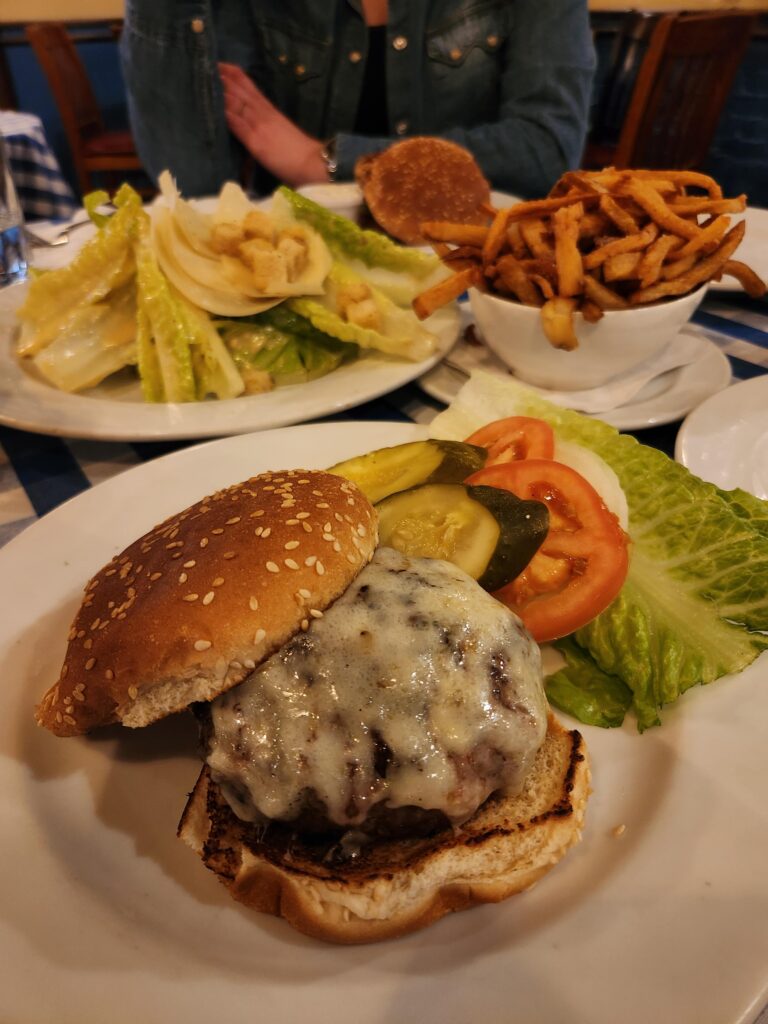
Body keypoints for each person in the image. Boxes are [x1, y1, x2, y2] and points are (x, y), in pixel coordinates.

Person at [120, 0, 596, 199]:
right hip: (296, 279)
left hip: (475, 280)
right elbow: (190, 182)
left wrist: (326, 161)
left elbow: (545, 150)